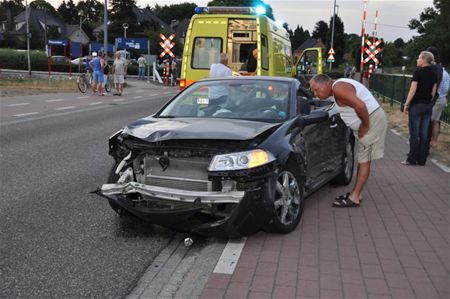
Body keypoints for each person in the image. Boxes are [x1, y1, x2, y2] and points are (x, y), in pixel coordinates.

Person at [310, 74, 387, 208]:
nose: (315, 94)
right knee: (363, 158)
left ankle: (355, 197)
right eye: (313, 91)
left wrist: (365, 126)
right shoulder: (338, 87)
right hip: (369, 120)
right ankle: (357, 192)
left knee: (364, 160)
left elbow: (360, 106)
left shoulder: (339, 88)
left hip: (370, 121)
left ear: (326, 83)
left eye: (316, 90)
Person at [402, 51, 437, 165]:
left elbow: (413, 90)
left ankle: (411, 159)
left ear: (423, 60)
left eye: (418, 58)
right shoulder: (434, 73)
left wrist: (406, 103)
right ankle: (422, 159)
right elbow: (433, 91)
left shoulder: (418, 72)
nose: (417, 60)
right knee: (424, 134)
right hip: (428, 105)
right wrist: (429, 101)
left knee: (414, 133)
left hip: (417, 105)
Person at [426, 47, 449, 148]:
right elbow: (446, 88)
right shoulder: (446, 74)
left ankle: (431, 141)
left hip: (436, 99)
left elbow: (435, 86)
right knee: (436, 120)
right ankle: (434, 141)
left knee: (431, 121)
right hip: (442, 98)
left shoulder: (437, 72)